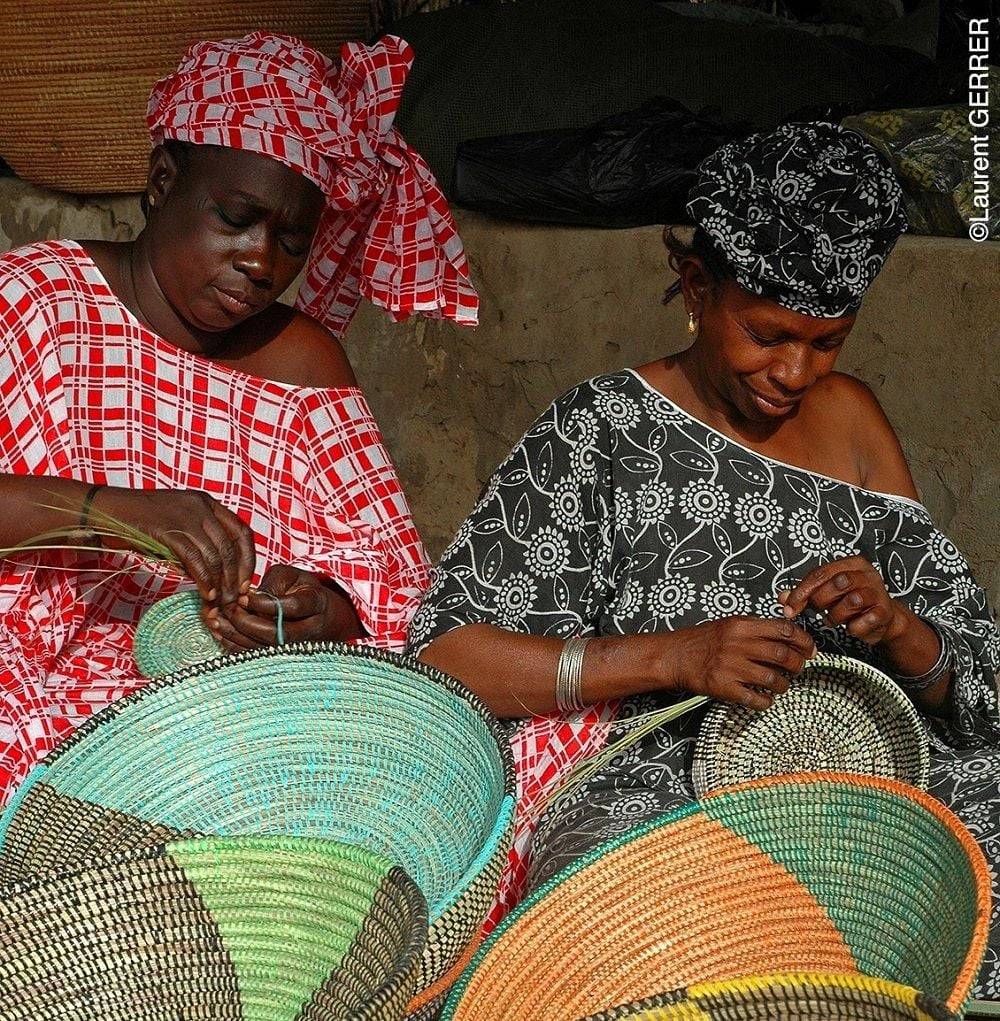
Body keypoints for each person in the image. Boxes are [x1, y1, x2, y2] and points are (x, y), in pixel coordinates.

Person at [409, 120, 1000, 994]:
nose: (796, 371)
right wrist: (676, 656)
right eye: (768, 333)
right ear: (696, 285)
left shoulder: (853, 421)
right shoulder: (602, 428)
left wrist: (901, 629)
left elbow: (978, 681)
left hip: (871, 770)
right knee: (681, 928)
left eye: (828, 340)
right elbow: (446, 653)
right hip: (666, 781)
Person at [0, 32, 478, 806]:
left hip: (233, 718)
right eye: (236, 218)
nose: (261, 262)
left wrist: (325, 610)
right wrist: (114, 512)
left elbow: (395, 589)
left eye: (291, 241)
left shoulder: (303, 364)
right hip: (34, 683)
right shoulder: (39, 300)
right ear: (162, 182)